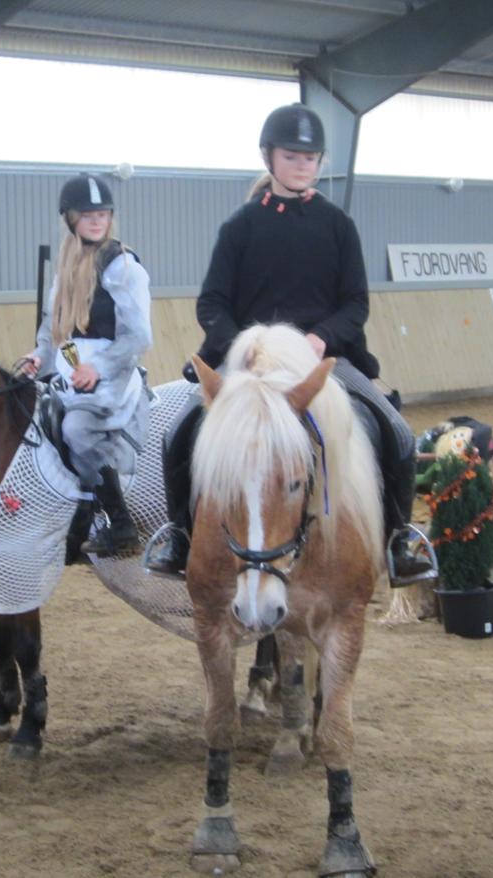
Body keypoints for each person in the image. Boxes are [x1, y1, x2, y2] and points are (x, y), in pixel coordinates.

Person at [146, 103, 433, 584]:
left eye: (310, 157)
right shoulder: (240, 228)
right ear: (268, 158)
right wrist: (241, 346)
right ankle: (179, 534)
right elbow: (213, 301)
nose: (302, 165)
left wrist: (322, 339)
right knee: (180, 432)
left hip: (322, 362)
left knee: (397, 433)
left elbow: (355, 303)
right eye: (292, 156)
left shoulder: (338, 226)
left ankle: (400, 538)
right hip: (250, 364)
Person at [22, 173, 152, 556]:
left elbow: (138, 336)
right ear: (71, 219)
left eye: (103, 214)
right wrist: (38, 355)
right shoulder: (66, 267)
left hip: (111, 371)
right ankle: (75, 516)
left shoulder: (124, 267)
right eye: (88, 215)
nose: (97, 221)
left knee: (78, 430)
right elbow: (53, 327)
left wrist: (100, 368)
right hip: (68, 368)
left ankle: (119, 521)